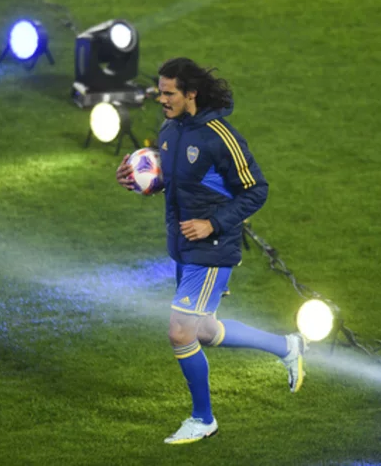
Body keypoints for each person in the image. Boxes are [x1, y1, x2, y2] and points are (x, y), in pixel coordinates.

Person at [115, 57, 306, 445]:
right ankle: (287, 346)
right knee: (202, 330)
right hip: (183, 247)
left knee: (179, 331)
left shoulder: (221, 135)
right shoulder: (169, 130)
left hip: (212, 247)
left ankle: (203, 419)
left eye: (168, 93)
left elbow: (257, 190)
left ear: (191, 94)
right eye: (159, 92)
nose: (161, 100)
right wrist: (138, 180)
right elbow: (177, 182)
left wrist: (212, 224)